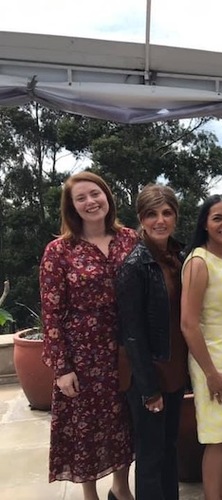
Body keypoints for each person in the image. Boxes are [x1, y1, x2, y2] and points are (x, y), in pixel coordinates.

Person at [39, 171, 137, 500]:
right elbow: (51, 313)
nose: (90, 202)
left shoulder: (129, 239)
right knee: (85, 429)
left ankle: (121, 488)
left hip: (123, 349)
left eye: (95, 194)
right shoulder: (58, 251)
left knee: (123, 422)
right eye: (80, 198)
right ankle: (89, 494)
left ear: (107, 196)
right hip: (82, 355)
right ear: (72, 207)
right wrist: (62, 368)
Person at [116, 185, 188, 500]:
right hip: (148, 376)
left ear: (175, 216)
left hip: (174, 370)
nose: (160, 220)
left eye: (167, 213)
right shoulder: (134, 266)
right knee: (150, 455)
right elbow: (131, 333)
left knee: (169, 447)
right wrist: (149, 390)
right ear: (141, 219)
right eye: (152, 214)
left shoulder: (176, 256)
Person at [180, 194, 222, 500]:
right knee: (218, 440)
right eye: (218, 218)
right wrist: (210, 373)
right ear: (205, 224)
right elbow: (188, 323)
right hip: (214, 362)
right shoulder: (199, 262)